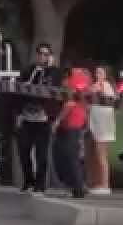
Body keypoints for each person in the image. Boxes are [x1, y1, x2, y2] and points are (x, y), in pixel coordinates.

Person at [15, 43, 62, 194]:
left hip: (43, 118)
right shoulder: (29, 71)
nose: (43, 56)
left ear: (50, 57)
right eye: (40, 54)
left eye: (46, 54)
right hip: (27, 117)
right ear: (36, 55)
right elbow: (19, 90)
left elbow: (53, 85)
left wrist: (49, 68)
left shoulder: (52, 73)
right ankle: (28, 180)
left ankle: (40, 184)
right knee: (24, 151)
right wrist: (18, 114)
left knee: (41, 154)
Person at [52, 68, 89, 199]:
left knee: (69, 156)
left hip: (70, 124)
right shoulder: (83, 82)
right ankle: (77, 186)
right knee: (72, 156)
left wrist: (57, 120)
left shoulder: (72, 82)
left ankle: (77, 187)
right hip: (77, 122)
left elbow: (69, 104)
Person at [86, 66, 117, 195]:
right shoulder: (94, 85)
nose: (97, 74)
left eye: (100, 72)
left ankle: (105, 184)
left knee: (101, 154)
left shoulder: (106, 86)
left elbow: (109, 99)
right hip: (95, 122)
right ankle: (96, 182)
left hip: (104, 124)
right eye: (96, 72)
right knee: (94, 155)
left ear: (106, 75)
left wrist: (98, 89)